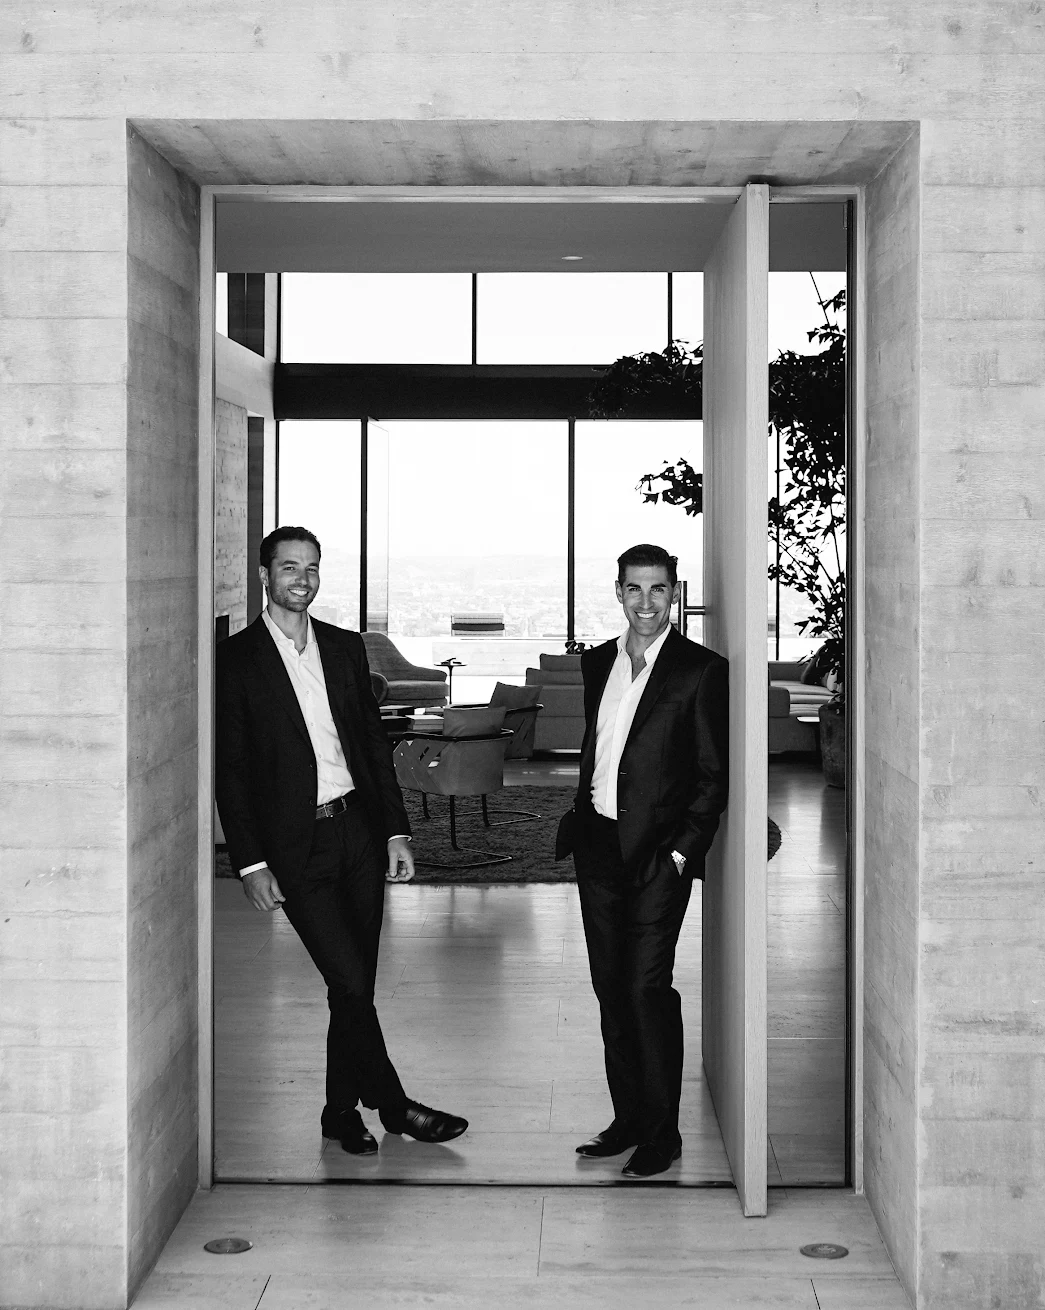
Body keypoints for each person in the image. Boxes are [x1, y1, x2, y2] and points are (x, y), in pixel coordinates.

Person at [216, 525, 467, 1156]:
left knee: (352, 987)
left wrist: (396, 830)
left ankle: (338, 1113)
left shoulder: (344, 647)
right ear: (265, 576)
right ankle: (394, 1106)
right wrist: (249, 862)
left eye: (311, 568)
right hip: (294, 847)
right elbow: (232, 770)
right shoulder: (236, 660)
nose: (302, 579)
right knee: (350, 981)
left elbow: (372, 746)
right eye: (289, 567)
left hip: (357, 830)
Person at [557, 543, 728, 1177]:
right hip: (598, 846)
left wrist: (681, 854)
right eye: (635, 589)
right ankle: (627, 1118)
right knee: (609, 988)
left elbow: (712, 777)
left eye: (659, 589)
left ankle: (662, 1134)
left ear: (674, 592)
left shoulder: (700, 670)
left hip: (659, 857)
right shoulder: (597, 662)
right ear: (619, 592)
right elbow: (599, 749)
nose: (646, 602)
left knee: (645, 989)